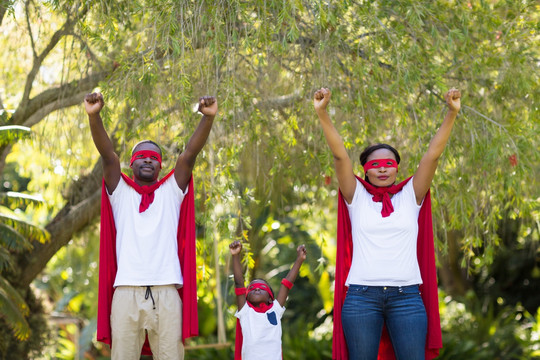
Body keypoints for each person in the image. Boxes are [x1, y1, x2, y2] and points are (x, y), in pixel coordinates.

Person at [314, 87, 461, 360]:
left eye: (389, 163)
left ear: (397, 168)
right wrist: (322, 113)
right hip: (361, 298)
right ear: (366, 170)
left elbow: (433, 155)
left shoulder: (411, 194)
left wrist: (451, 113)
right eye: (375, 164)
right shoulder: (355, 196)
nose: (382, 168)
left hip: (407, 297)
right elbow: (340, 156)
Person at [84, 92, 218, 360]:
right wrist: (94, 115)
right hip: (126, 291)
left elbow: (189, 155)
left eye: (153, 157)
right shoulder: (120, 191)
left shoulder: (171, 190)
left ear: (160, 165)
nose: (148, 160)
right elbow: (108, 156)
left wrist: (207, 117)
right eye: (142, 157)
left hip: (166, 291)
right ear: (131, 164)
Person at [229, 240, 307, 360]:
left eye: (262, 287)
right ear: (246, 296)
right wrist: (235, 256)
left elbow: (286, 284)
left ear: (270, 298)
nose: (257, 289)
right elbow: (239, 284)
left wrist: (299, 260)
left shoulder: (275, 309)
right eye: (252, 288)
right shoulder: (245, 312)